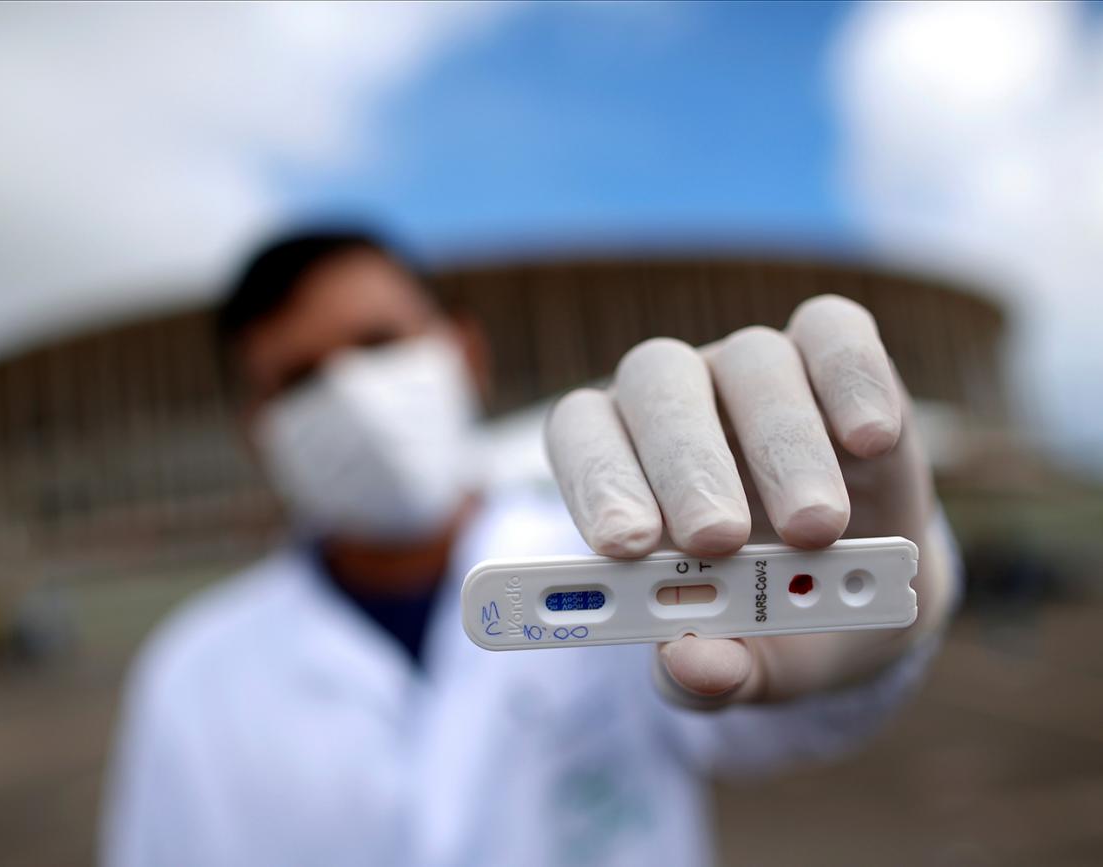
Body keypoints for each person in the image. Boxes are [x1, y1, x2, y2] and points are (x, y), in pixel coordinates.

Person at [101, 228, 958, 866]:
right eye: (299, 380)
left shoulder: (634, 554)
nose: (354, 397)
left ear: (463, 353)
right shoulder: (192, 673)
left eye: (379, 344)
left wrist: (870, 615)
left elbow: (788, 719)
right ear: (259, 431)